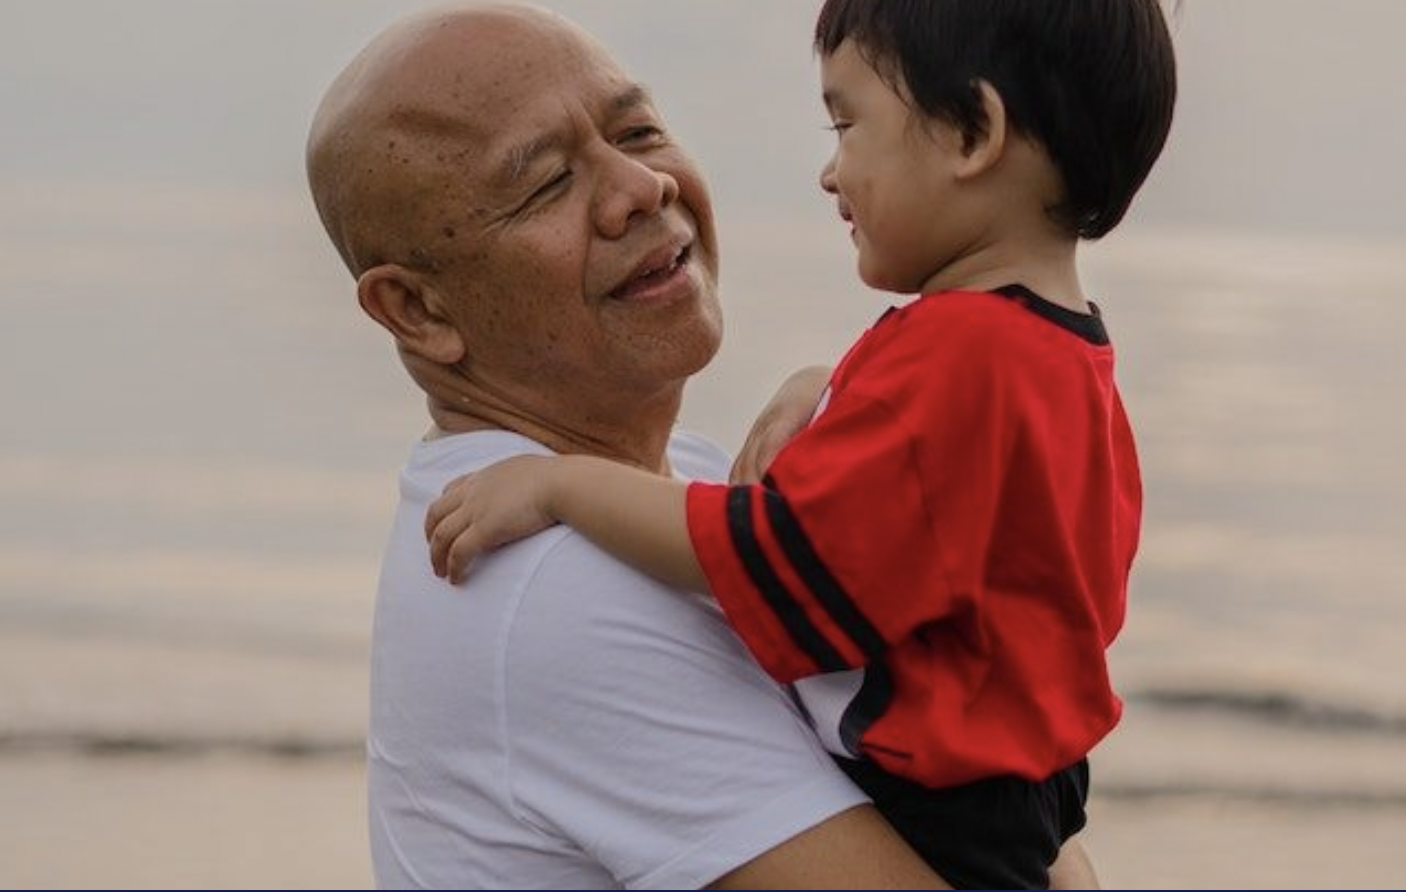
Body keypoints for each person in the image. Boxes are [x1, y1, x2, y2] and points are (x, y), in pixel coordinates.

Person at [425, 0, 1177, 888]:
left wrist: (561, 489)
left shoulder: (958, 353)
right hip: (1017, 799)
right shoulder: (1062, 350)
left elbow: (773, 555)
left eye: (848, 124)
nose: (830, 172)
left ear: (974, 132)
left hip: (933, 808)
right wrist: (821, 385)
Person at [304, 3, 977, 889]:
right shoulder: (553, 584)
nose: (639, 187)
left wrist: (838, 390)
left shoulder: (664, 485)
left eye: (639, 130)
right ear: (420, 312)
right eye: (547, 183)